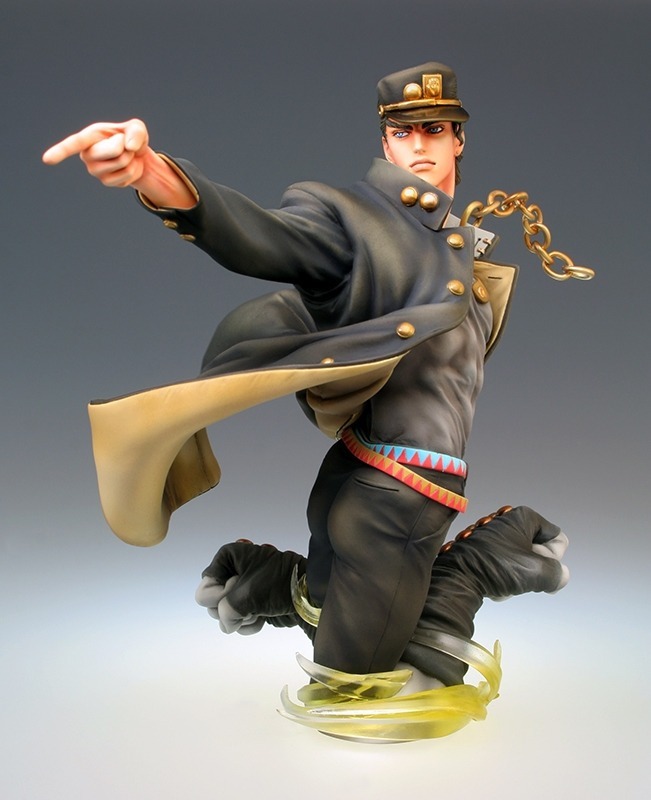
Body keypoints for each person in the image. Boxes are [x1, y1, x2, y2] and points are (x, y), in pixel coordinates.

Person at [43, 63, 568, 702]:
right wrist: (154, 174)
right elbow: (264, 237)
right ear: (385, 143)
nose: (420, 145)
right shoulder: (348, 217)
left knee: (348, 651)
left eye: (436, 129)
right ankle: (472, 567)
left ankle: (282, 583)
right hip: (394, 490)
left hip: (375, 481)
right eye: (404, 132)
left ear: (459, 140)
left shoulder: (458, 247)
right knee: (357, 689)